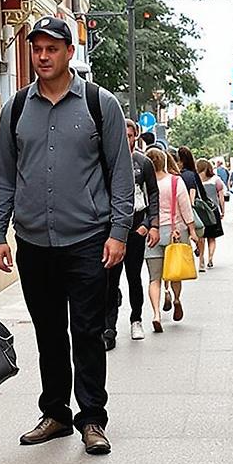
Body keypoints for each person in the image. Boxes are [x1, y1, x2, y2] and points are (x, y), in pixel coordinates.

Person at [0, 17, 131, 456]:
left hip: (88, 239)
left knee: (87, 331)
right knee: (49, 332)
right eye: (37, 49)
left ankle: (92, 419)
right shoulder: (14, 109)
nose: (43, 56)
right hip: (34, 243)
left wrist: (119, 231)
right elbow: (3, 175)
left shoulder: (98, 104)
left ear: (70, 52)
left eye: (52, 48)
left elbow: (121, 173)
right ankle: (55, 414)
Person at [105, 118, 159, 346]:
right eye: (122, 134)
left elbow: (153, 194)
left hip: (137, 226)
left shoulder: (143, 163)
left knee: (134, 277)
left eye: (129, 135)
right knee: (109, 280)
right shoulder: (106, 161)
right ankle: (109, 327)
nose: (125, 139)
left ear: (135, 136)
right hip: (112, 228)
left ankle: (136, 318)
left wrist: (151, 223)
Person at [147, 148, 196, 333]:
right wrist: (192, 230)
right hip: (175, 231)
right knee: (175, 272)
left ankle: (156, 314)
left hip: (152, 231)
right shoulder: (176, 181)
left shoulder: (145, 184)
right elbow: (185, 207)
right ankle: (175, 298)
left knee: (154, 278)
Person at [196, 156, 225, 268]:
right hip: (213, 210)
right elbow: (221, 197)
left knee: (201, 237)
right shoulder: (216, 180)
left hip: (200, 211)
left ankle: (201, 259)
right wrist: (223, 210)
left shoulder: (195, 180)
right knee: (212, 237)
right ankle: (210, 258)